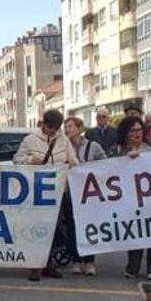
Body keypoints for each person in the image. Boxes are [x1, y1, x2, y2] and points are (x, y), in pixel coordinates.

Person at [14, 109, 78, 281]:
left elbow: (74, 161)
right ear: (43, 124)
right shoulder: (30, 140)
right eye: (50, 127)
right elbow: (16, 159)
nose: (52, 131)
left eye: (56, 128)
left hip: (57, 191)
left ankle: (47, 263)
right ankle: (35, 265)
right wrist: (30, 161)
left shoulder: (63, 140)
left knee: (52, 229)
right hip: (36, 191)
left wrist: (68, 165)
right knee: (36, 227)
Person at [114, 116, 151, 281]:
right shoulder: (117, 150)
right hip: (130, 197)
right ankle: (132, 267)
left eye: (139, 130)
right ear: (126, 133)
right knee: (134, 232)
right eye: (133, 131)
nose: (137, 133)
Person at [63, 115, 106, 276]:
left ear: (80, 128)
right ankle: (76, 259)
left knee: (89, 226)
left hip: (88, 195)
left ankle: (89, 261)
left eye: (70, 126)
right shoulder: (62, 147)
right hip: (70, 194)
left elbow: (105, 164)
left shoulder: (93, 147)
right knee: (72, 228)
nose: (67, 130)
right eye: (66, 127)